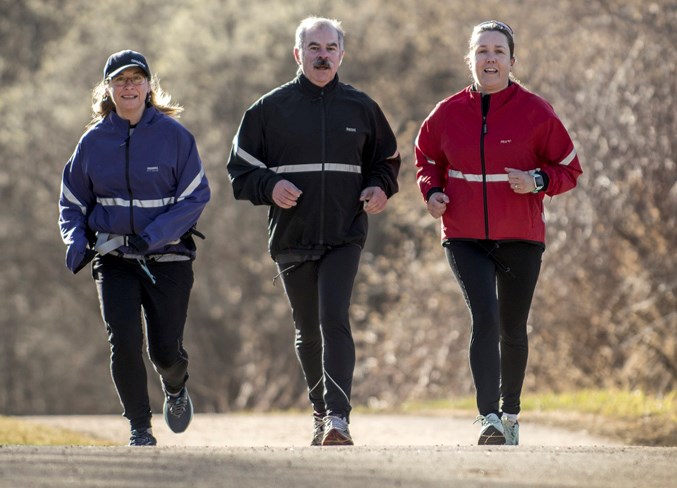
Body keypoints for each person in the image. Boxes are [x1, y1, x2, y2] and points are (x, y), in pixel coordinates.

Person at [227, 17, 400, 446]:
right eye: (313, 47)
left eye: (330, 47)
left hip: (345, 233)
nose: (322, 55)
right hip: (291, 236)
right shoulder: (268, 109)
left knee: (333, 317)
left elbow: (388, 162)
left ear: (342, 54)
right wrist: (270, 186)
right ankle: (320, 413)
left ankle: (339, 419)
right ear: (297, 54)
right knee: (307, 327)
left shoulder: (361, 108)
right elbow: (239, 173)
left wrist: (380, 187)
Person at [414, 20, 582, 446]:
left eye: (498, 52)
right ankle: (488, 417)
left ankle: (510, 412)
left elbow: (569, 169)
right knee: (484, 319)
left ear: (511, 60)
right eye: (482, 51)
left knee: (512, 325)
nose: (490, 59)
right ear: (469, 59)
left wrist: (538, 181)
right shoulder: (447, 112)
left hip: (520, 235)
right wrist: (431, 192)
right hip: (464, 234)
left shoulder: (537, 112)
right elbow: (426, 159)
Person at [58, 50, 211, 446]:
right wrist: (76, 243)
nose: (128, 86)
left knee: (165, 350)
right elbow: (72, 203)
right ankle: (139, 428)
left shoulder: (175, 136)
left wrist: (153, 236)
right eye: (120, 80)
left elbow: (195, 196)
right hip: (115, 260)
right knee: (123, 341)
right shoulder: (92, 142)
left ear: (148, 86)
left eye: (136, 79)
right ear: (108, 89)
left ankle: (175, 387)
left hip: (169, 258)